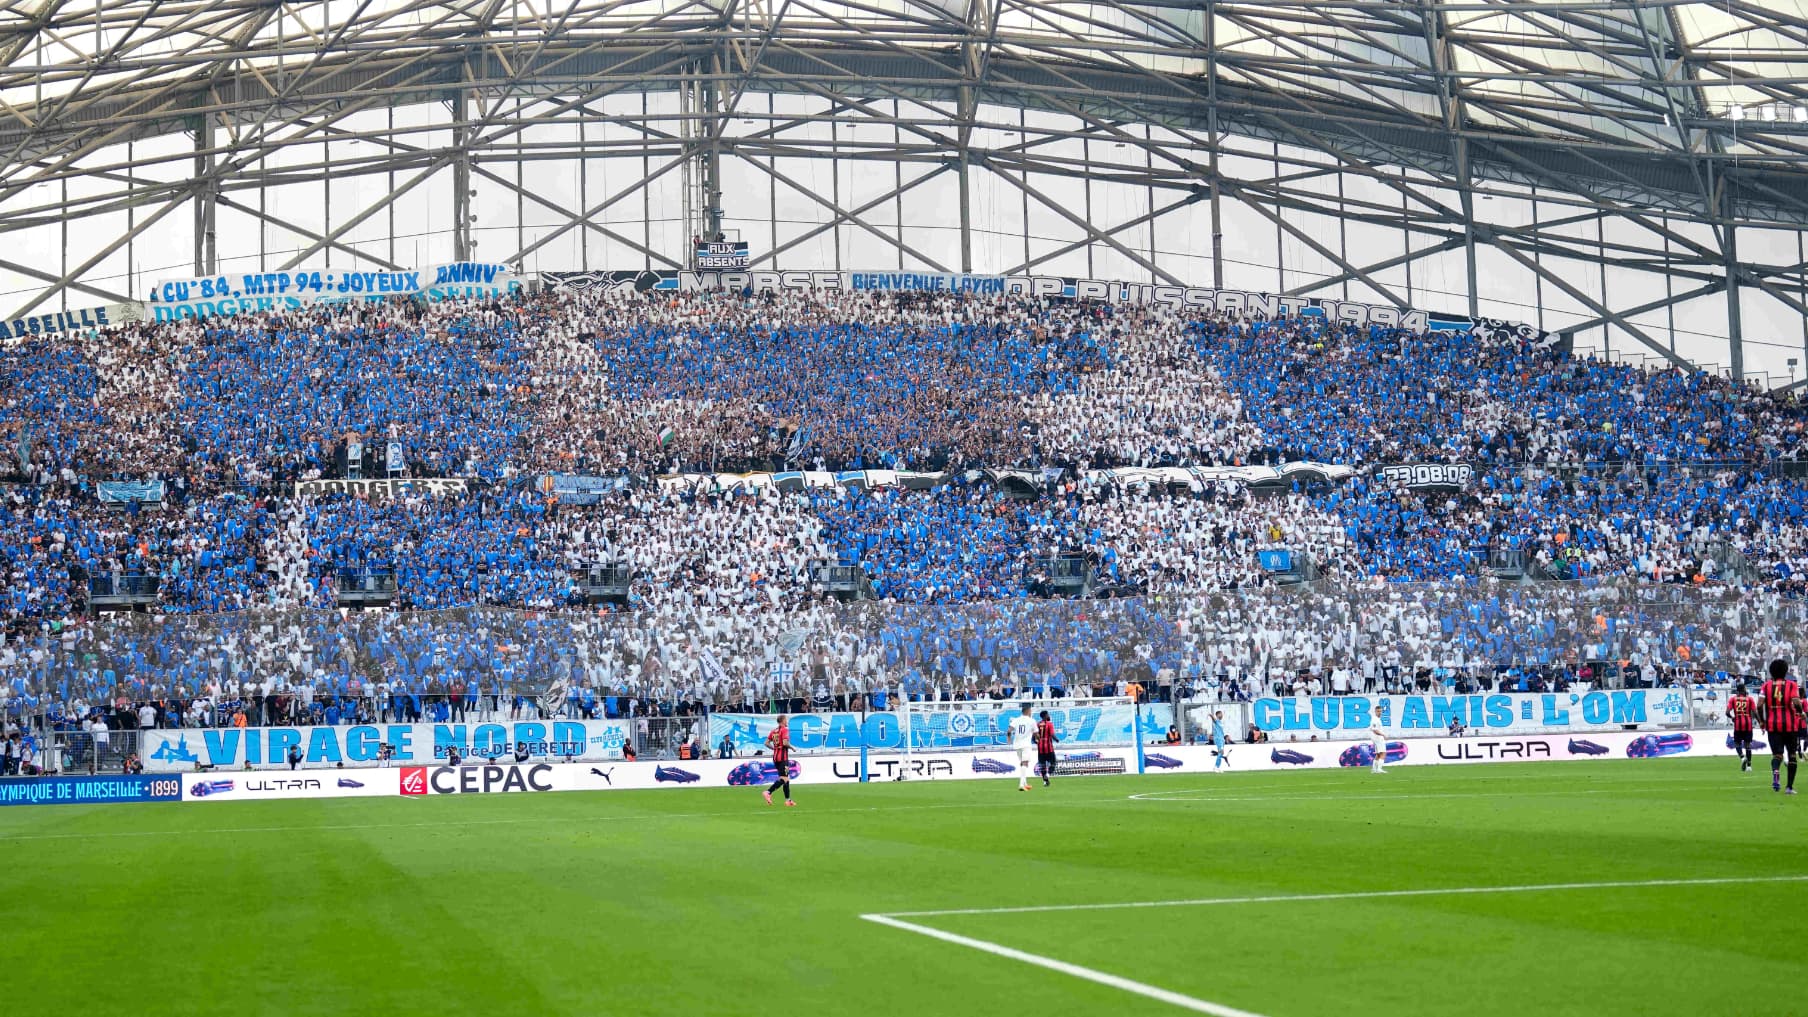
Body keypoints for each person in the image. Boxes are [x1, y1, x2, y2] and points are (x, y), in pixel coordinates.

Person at [1759, 658, 1805, 794]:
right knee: (1792, 756)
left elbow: (1759, 705)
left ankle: (1776, 771)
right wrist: (1801, 713)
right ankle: (1789, 787)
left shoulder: (1766, 686)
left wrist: (1762, 721)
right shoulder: (1791, 685)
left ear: (1771, 671)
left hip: (1772, 726)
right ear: (1785, 671)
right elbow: (1796, 701)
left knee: (1777, 755)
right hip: (1790, 725)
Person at [764, 714, 795, 807]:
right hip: (783, 758)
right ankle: (768, 792)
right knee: (784, 778)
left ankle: (788, 800)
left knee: (786, 779)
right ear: (782, 721)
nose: (787, 722)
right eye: (786, 720)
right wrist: (792, 748)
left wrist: (774, 749)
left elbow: (766, 743)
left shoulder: (773, 731)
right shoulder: (784, 730)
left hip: (775, 757)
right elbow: (785, 743)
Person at [1727, 683, 1758, 773]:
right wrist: (1760, 722)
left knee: (1737, 743)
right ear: (1744, 690)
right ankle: (1749, 766)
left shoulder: (1733, 699)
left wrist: (1732, 717)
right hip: (1748, 724)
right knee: (1748, 745)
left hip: (1738, 724)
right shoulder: (1750, 699)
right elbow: (1755, 712)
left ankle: (1742, 757)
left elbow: (1727, 712)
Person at [1008, 702, 1037, 791]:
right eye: (1030, 710)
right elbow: (1036, 733)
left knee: (1023, 763)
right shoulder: (1031, 721)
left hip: (1017, 745)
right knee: (1025, 763)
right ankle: (1021, 784)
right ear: (1028, 711)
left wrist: (1009, 739)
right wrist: (1038, 740)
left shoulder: (1016, 720)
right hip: (1026, 745)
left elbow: (1009, 731)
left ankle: (1025, 783)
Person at [1034, 710, 1058, 787]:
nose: (1049, 716)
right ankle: (1048, 774)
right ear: (1045, 716)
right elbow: (1052, 734)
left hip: (1040, 748)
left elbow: (1034, 736)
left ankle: (1045, 782)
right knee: (1053, 762)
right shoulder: (1049, 724)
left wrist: (1037, 742)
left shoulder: (1037, 724)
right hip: (1049, 748)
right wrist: (1057, 740)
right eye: (1048, 714)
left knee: (1043, 765)